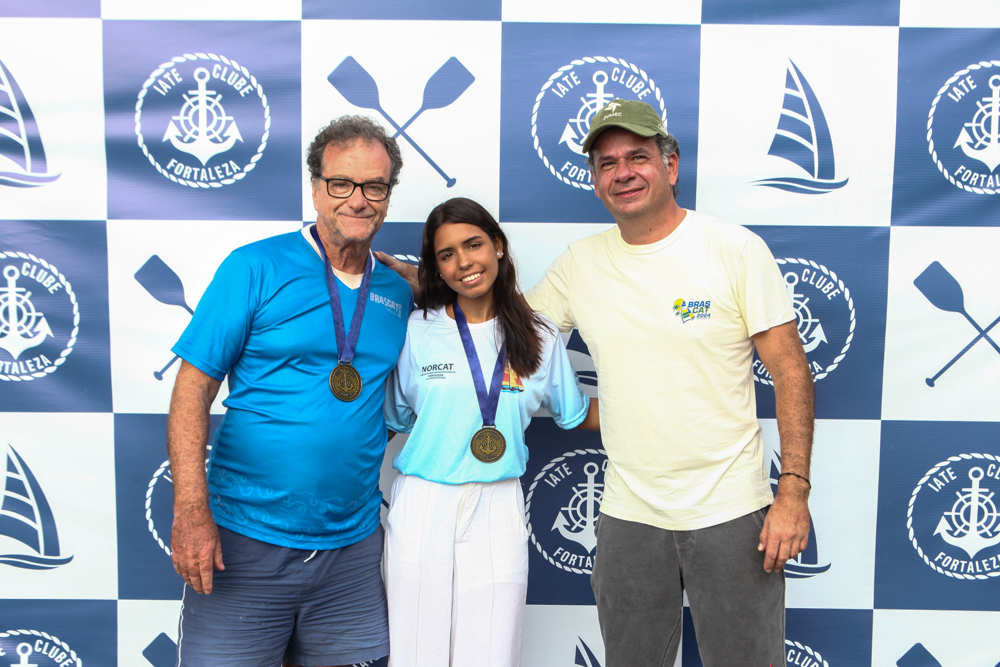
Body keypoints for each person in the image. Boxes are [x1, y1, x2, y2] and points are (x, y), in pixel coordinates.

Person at [526, 100, 814, 666]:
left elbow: (791, 371)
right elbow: (507, 332)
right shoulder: (580, 264)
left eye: (637, 156)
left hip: (732, 511)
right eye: (606, 163)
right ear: (594, 179)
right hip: (629, 514)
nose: (622, 172)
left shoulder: (733, 249)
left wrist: (794, 493)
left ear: (671, 165)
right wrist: (434, 287)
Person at [166, 115, 412, 667]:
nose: (358, 199)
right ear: (316, 187)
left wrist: (432, 285)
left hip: (350, 551)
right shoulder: (254, 267)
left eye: (374, 186)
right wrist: (191, 511)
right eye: (341, 184)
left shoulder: (398, 290)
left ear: (388, 195)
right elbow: (192, 387)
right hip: (243, 542)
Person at [382, 197, 599, 667]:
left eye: (474, 244)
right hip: (424, 503)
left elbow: (576, 414)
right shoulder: (415, 329)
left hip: (498, 503)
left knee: (492, 656)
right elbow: (395, 417)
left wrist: (666, 407)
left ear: (498, 246)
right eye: (446, 255)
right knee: (417, 656)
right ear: (435, 269)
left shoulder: (539, 334)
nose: (464, 263)